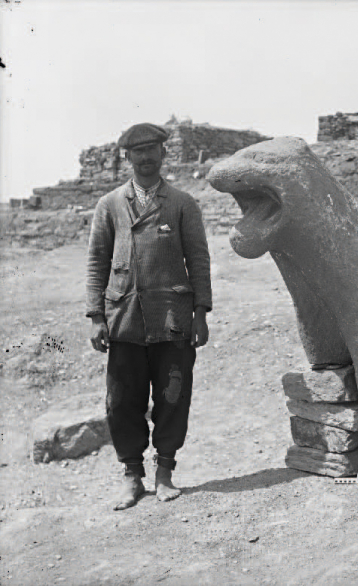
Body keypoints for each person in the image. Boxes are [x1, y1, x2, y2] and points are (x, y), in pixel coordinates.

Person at [86, 123, 212, 510]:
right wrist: (96, 315)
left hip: (172, 318)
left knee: (173, 397)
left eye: (152, 150)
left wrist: (202, 311)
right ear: (127, 157)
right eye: (137, 152)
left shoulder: (181, 203)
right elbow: (96, 262)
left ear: (163, 153)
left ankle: (165, 473)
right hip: (124, 319)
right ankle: (132, 476)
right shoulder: (109, 205)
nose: (146, 158)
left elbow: (199, 260)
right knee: (121, 401)